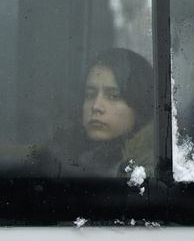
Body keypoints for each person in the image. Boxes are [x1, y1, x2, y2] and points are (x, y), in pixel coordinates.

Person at [48, 48, 155, 178]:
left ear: (139, 105)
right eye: (89, 95)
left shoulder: (149, 170)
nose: (96, 106)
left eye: (113, 96)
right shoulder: (65, 157)